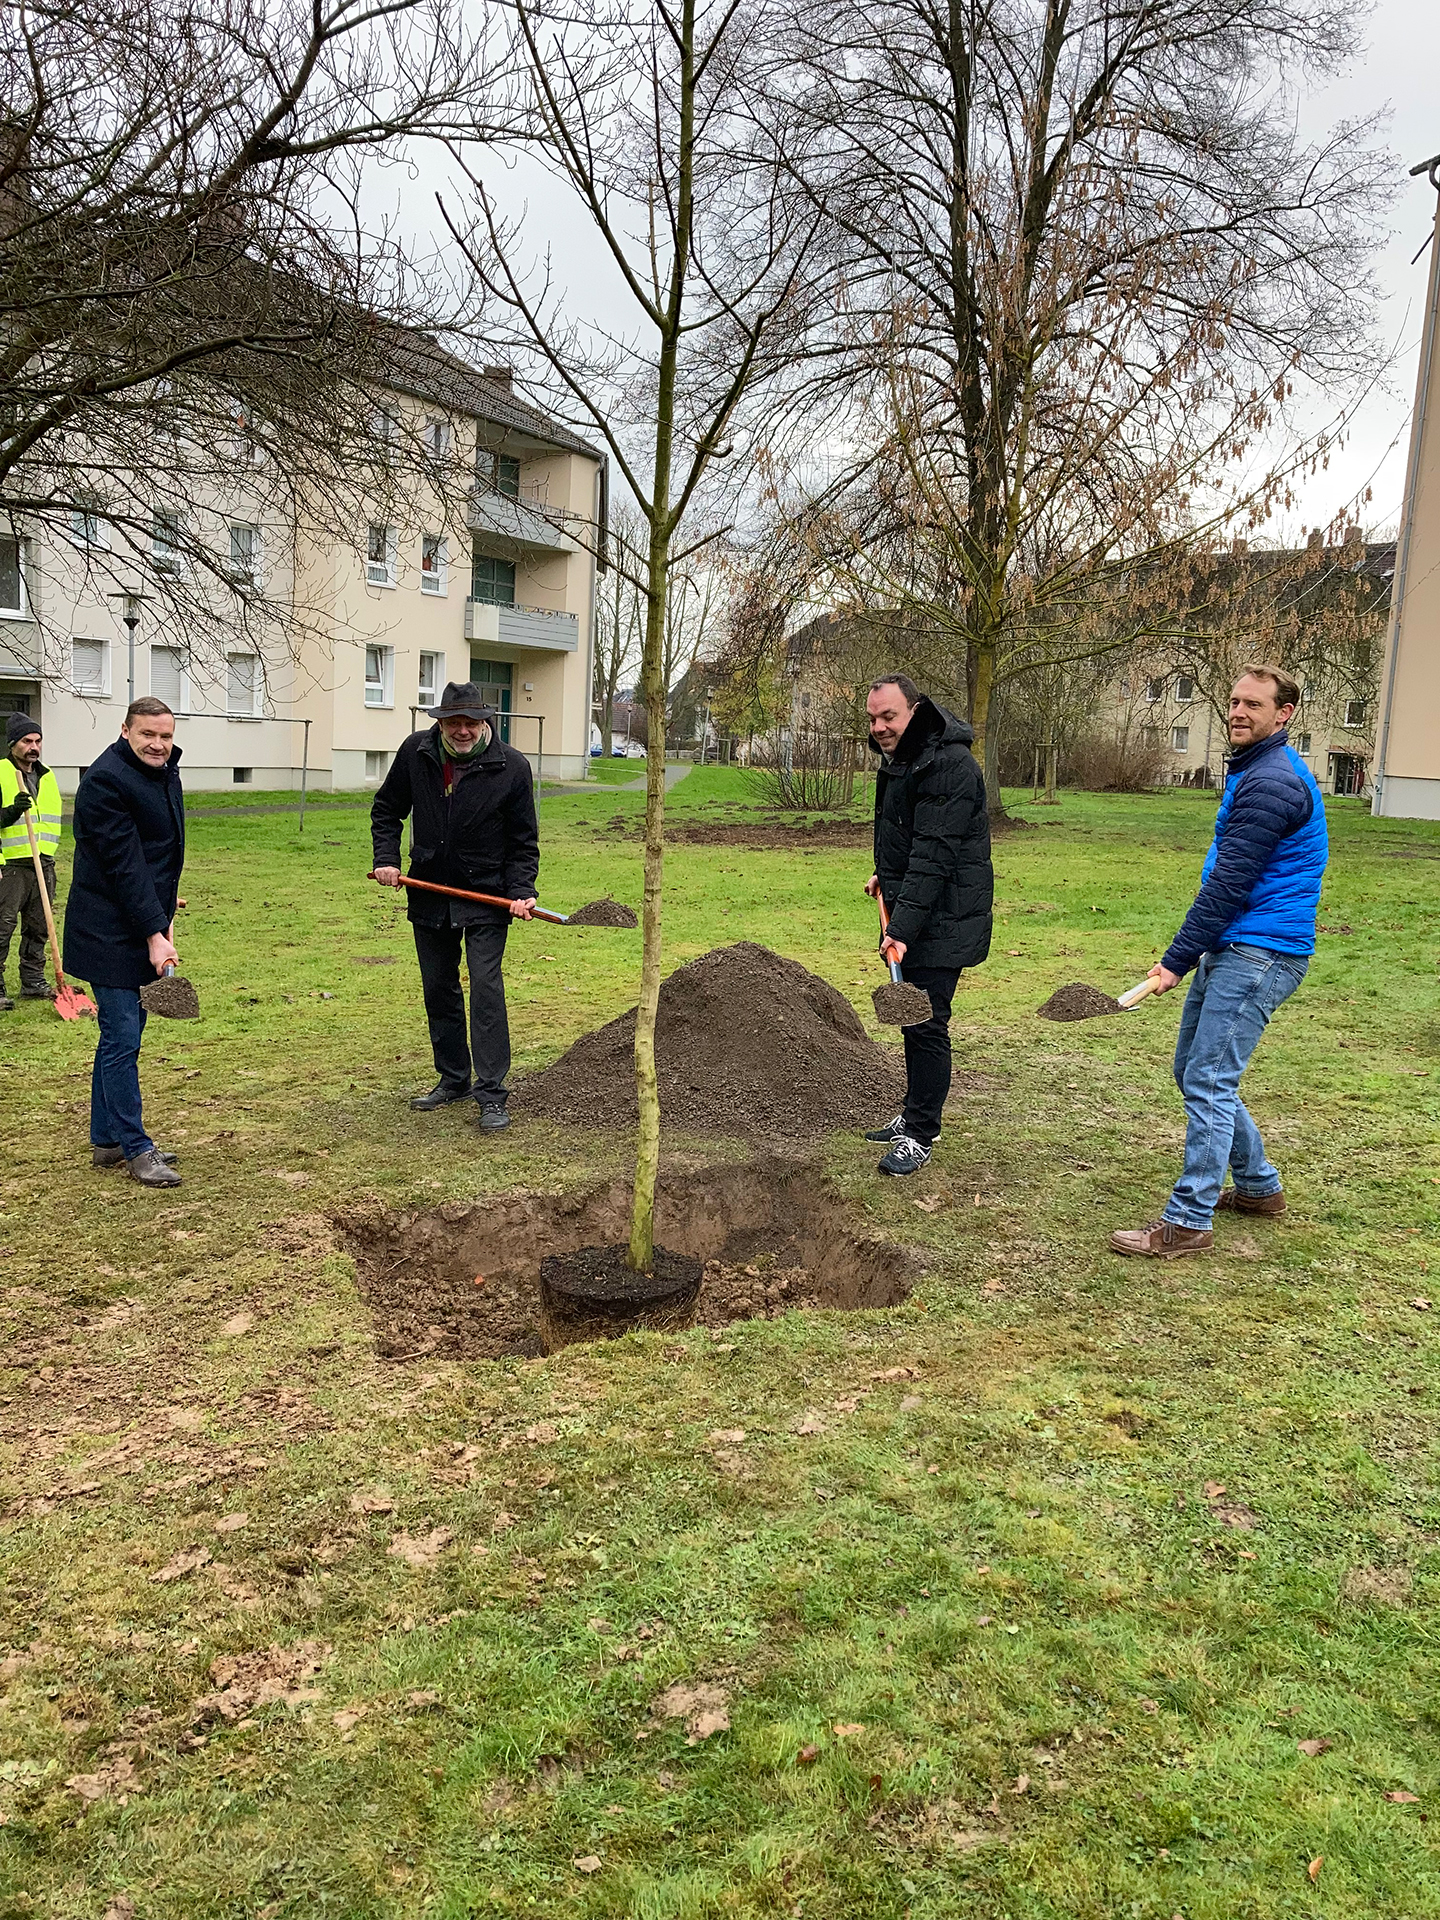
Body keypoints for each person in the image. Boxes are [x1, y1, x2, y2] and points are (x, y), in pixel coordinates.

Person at [1110, 665, 1327, 1258]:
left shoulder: (1272, 782)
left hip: (1260, 952)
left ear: (1284, 714)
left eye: (1253, 704)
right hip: (1237, 945)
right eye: (1233, 701)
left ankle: (1189, 1220)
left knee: (1208, 1079)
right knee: (1195, 1072)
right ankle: (1258, 1188)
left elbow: (1230, 883)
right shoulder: (1256, 771)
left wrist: (1174, 960)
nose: (1237, 711)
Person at [371, 681, 539, 1131]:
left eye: (470, 722)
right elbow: (387, 809)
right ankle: (453, 1079)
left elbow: (524, 841)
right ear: (440, 723)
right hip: (428, 888)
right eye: (453, 723)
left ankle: (491, 1094)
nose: (462, 731)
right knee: (439, 988)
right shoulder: (416, 753)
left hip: (487, 894)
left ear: (485, 722)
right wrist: (386, 858)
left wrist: (522, 889)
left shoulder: (512, 767)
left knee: (486, 989)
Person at [862, 672, 993, 1175]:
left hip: (945, 919)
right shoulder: (904, 758)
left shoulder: (950, 766)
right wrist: (885, 875)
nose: (879, 726)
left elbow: (935, 858)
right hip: (915, 911)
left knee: (927, 1022)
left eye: (889, 716)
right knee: (912, 1024)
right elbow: (909, 837)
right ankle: (912, 1116)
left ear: (915, 710)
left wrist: (901, 929)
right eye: (873, 718)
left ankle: (921, 1133)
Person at [63, 697, 186, 1188]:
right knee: (122, 1038)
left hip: (140, 918)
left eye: (166, 735)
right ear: (125, 731)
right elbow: (124, 865)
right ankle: (136, 1149)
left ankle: (107, 1139)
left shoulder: (163, 771)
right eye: (147, 735)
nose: (158, 744)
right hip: (107, 931)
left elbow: (161, 851)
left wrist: (164, 915)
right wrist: (154, 933)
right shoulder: (105, 782)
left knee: (121, 1034)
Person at [0, 711, 63, 1009]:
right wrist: (11, 811)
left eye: (38, 741)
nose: (33, 747)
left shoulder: (47, 776)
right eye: (27, 741)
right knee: (3, 926)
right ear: (13, 743)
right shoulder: (0, 772)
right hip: (10, 864)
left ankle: (33, 980)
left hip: (43, 863)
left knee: (39, 926)